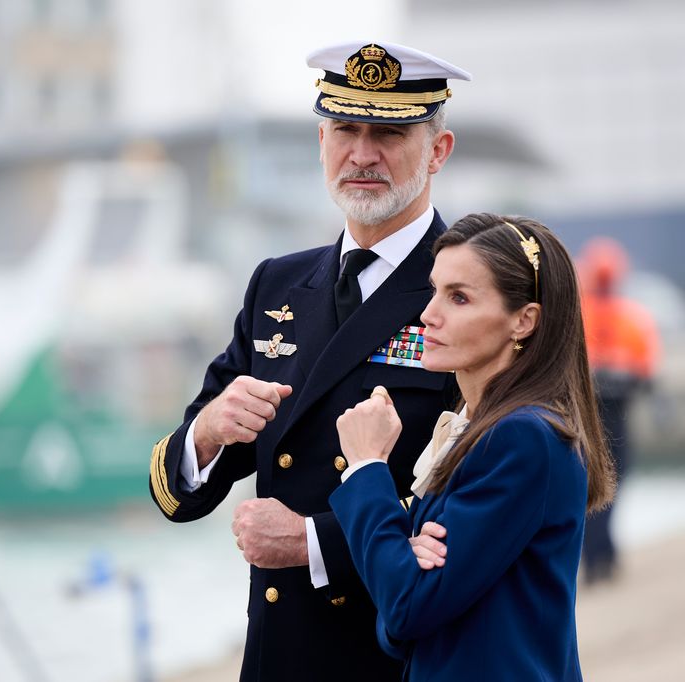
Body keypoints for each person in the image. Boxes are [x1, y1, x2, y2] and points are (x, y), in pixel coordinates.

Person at [147, 41, 470, 681]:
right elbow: (178, 496)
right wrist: (209, 432)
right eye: (344, 128)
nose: (362, 154)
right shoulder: (277, 286)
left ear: (438, 151)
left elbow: (479, 512)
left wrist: (312, 545)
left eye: (388, 133)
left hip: (397, 656)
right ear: (321, 140)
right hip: (281, 655)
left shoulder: (470, 289)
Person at [331, 213, 616, 681]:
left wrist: (366, 467)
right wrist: (405, 566)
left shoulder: (523, 437)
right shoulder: (483, 429)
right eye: (435, 290)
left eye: (458, 297)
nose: (428, 314)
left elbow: (405, 607)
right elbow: (399, 627)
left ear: (524, 320)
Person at [577, 237, 660, 584]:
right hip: (603, 412)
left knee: (594, 487)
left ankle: (601, 555)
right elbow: (647, 374)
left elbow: (646, 371)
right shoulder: (630, 317)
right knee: (605, 485)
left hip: (593, 412)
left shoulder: (586, 314)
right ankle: (602, 556)